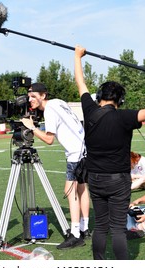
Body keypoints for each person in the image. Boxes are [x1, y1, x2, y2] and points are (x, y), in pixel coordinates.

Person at [74, 44, 145, 260]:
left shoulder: (89, 111)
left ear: (99, 98)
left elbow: (81, 83)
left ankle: (100, 264)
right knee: (117, 229)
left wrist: (77, 56)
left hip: (95, 179)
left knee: (101, 227)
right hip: (118, 180)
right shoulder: (124, 117)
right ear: (120, 101)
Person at [20, 82, 90, 250]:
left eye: (33, 96)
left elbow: (49, 139)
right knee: (81, 189)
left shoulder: (50, 109)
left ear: (43, 95)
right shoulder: (58, 102)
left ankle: (75, 234)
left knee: (70, 191)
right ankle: (85, 227)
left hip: (75, 153)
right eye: (28, 96)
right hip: (84, 149)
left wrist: (32, 128)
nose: (30, 99)